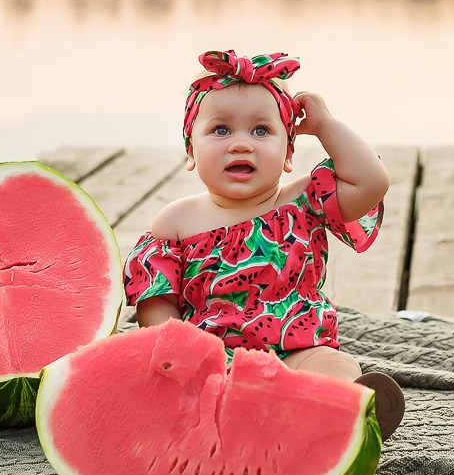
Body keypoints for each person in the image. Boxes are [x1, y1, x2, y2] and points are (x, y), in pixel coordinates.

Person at [123, 50, 404, 440]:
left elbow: (372, 181)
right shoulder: (176, 221)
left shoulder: (304, 200)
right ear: (190, 151)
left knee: (336, 367)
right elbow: (156, 301)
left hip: (299, 348)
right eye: (221, 130)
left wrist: (324, 125)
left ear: (288, 154)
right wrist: (180, 354)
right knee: (180, 390)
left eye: (260, 131)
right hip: (215, 359)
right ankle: (273, 416)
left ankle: (346, 410)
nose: (241, 145)